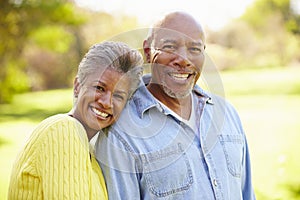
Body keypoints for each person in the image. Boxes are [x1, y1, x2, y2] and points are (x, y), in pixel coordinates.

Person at [95, 11, 256, 200]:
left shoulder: (227, 113)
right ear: (148, 52)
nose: (183, 60)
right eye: (169, 47)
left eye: (195, 49)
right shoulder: (120, 133)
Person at [8, 41, 143, 199]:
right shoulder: (62, 130)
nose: (107, 102)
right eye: (99, 88)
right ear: (78, 86)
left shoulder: (90, 153)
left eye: (118, 96)